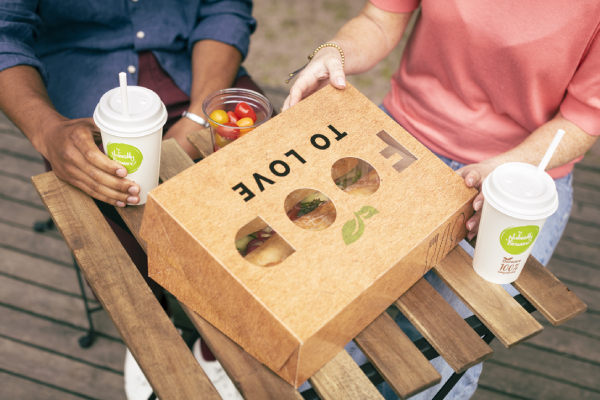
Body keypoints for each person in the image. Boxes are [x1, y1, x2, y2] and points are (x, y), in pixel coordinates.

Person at [284, 1, 600, 399]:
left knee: (444, 350)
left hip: (518, 178)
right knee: (324, 312)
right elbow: (380, 20)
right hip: (398, 138)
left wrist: (498, 170)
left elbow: (581, 121)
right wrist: (334, 52)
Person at [0, 1, 259, 399]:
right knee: (117, 254)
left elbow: (225, 7)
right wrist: (47, 131)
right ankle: (157, 330)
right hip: (84, 108)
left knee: (255, 207)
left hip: (200, 74)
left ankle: (220, 345)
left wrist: (196, 119)